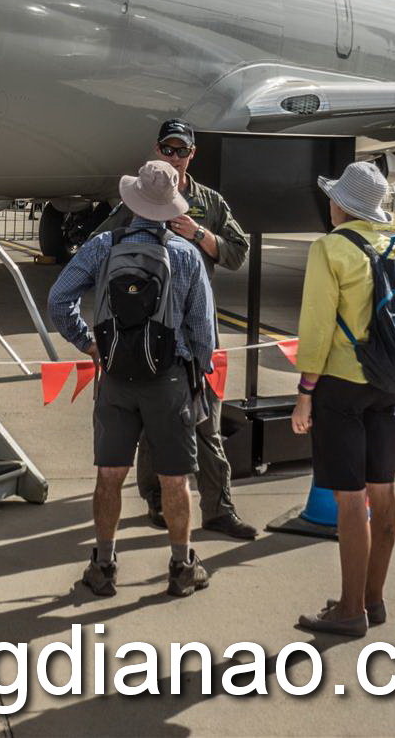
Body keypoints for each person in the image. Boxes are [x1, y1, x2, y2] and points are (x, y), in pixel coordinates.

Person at [48, 159, 217, 599]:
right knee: (175, 480)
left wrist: (89, 344)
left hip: (117, 378)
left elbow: (59, 299)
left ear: (134, 200)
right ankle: (182, 567)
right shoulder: (186, 255)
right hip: (169, 380)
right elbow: (203, 332)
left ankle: (103, 566)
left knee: (109, 475)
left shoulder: (102, 246)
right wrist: (199, 374)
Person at [95, 120, 256, 541]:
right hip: (148, 334)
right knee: (153, 428)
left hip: (198, 329)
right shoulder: (138, 197)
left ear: (192, 154)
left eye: (180, 150)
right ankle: (156, 502)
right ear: (156, 150)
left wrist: (199, 235)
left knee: (208, 422)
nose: (173, 157)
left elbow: (238, 252)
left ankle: (219, 508)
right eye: (166, 149)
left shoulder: (209, 202)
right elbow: (101, 244)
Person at [289, 161, 395, 638]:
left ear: (341, 204)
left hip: (341, 384)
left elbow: (316, 328)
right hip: (386, 379)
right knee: (383, 489)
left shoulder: (330, 248)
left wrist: (304, 395)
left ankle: (349, 610)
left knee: (349, 498)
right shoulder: (391, 241)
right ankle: (373, 598)